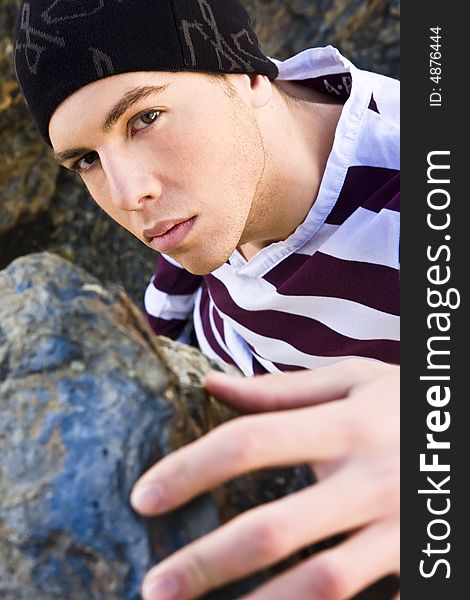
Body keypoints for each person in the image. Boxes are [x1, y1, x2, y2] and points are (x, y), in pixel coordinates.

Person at [14, 1, 400, 599]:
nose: (129, 193)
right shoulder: (199, 213)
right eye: (87, 160)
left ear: (248, 74)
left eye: (145, 118)